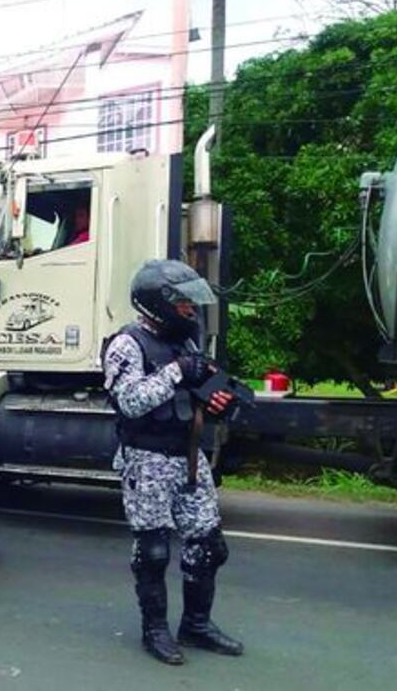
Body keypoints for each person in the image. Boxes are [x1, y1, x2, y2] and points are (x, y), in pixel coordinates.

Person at [102, 259, 244, 665]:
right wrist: (177, 372)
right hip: (147, 461)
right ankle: (156, 631)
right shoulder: (126, 344)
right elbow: (130, 403)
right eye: (182, 303)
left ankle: (196, 625)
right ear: (157, 303)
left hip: (189, 456)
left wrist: (219, 397)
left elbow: (199, 388)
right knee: (153, 551)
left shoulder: (186, 340)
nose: (190, 310)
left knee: (209, 545)